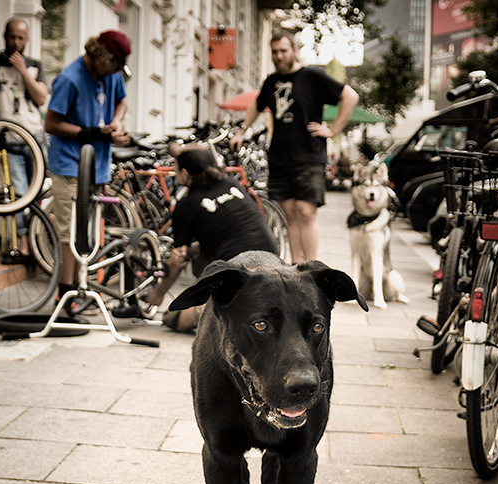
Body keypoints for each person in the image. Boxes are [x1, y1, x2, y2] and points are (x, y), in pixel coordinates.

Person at [230, 29, 359, 264]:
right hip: (279, 157)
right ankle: (295, 265)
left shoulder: (312, 76)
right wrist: (241, 130)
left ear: (294, 51)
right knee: (290, 214)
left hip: (309, 155)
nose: (278, 56)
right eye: (274, 52)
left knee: (306, 212)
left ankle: (310, 268)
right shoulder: (271, 82)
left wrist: (332, 130)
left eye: (283, 51)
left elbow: (350, 96)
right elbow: (256, 105)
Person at [145, 144, 279, 331]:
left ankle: (210, 309)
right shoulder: (233, 184)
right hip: (273, 262)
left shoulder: (187, 206)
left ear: (185, 173)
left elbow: (178, 258)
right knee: (199, 251)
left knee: (172, 318)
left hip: (239, 273)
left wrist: (158, 293)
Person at [45, 30, 131, 313]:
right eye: (114, 65)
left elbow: (122, 101)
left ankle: (84, 288)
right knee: (70, 232)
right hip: (70, 164)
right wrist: (90, 132)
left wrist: (116, 123)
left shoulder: (112, 74)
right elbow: (51, 124)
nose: (116, 72)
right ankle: (65, 294)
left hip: (97, 165)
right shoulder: (70, 79)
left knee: (91, 232)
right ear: (101, 56)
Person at [0, 17, 49, 264]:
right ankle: (25, 247)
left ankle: (39, 243)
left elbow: (41, 99)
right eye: (12, 37)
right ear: (4, 36)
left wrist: (22, 71)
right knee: (19, 193)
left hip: (35, 138)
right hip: (9, 139)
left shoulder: (34, 65)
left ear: (26, 40)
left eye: (21, 38)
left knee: (38, 193)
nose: (16, 42)